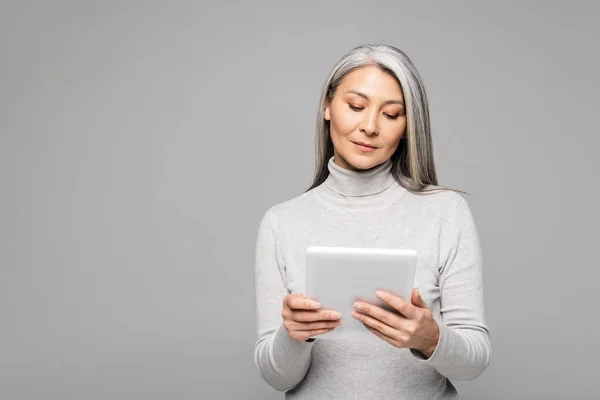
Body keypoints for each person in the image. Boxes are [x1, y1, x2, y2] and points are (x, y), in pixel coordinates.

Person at [253, 44, 491, 399]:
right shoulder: (280, 222)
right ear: (327, 107)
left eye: (391, 114)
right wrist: (294, 335)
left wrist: (431, 338)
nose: (369, 126)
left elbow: (474, 362)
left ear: (408, 127)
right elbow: (277, 378)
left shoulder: (446, 212)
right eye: (356, 106)